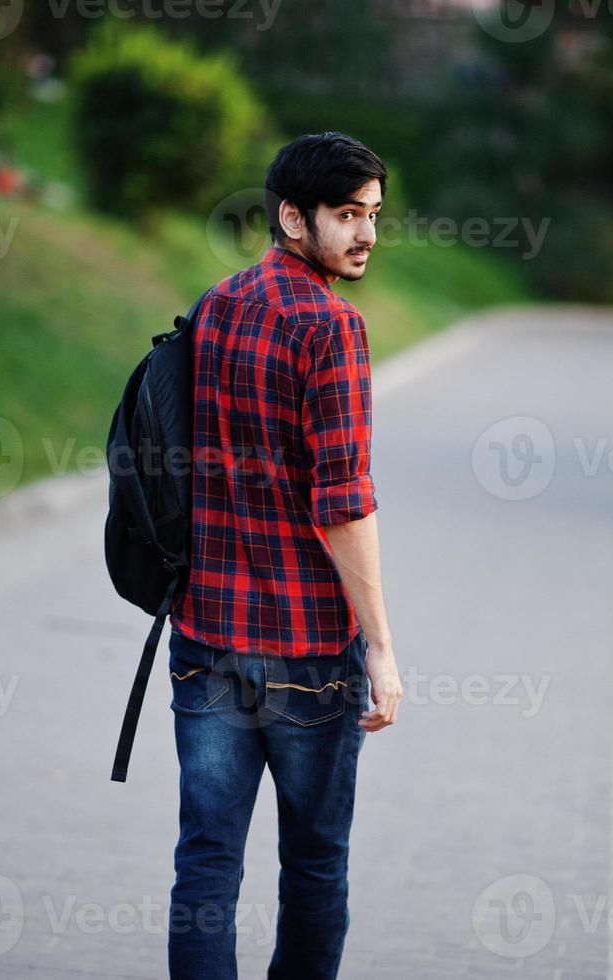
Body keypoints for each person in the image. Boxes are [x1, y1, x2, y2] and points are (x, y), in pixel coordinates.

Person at [165, 131, 404, 980]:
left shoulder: (218, 302)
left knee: (205, 861)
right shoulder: (332, 329)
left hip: (205, 639)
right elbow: (344, 503)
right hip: (307, 653)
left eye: (372, 215)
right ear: (290, 217)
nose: (367, 234)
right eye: (347, 216)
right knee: (311, 864)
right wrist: (378, 645)